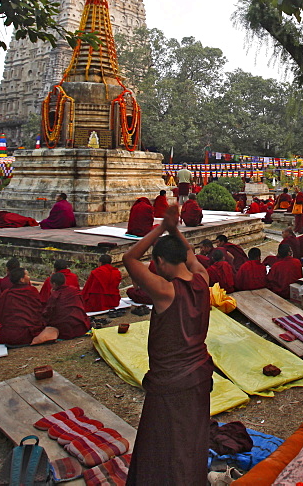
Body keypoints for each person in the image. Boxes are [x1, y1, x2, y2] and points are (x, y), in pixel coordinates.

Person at [120, 204, 213, 486]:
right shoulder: (203, 280)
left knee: (164, 443)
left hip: (171, 382)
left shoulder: (165, 292)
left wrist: (161, 228)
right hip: (197, 376)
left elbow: (129, 258)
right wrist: (175, 230)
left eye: (157, 264)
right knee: (191, 438)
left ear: (160, 262)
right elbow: (192, 256)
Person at [0, 267, 46, 346]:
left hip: (10, 336)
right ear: (21, 279)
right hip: (30, 333)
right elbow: (39, 311)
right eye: (27, 275)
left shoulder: (6, 293)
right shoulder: (32, 291)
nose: (29, 277)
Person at [42, 272, 91, 340]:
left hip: (64, 330)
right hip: (80, 327)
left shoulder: (54, 296)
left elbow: (47, 314)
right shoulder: (74, 290)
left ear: (54, 284)